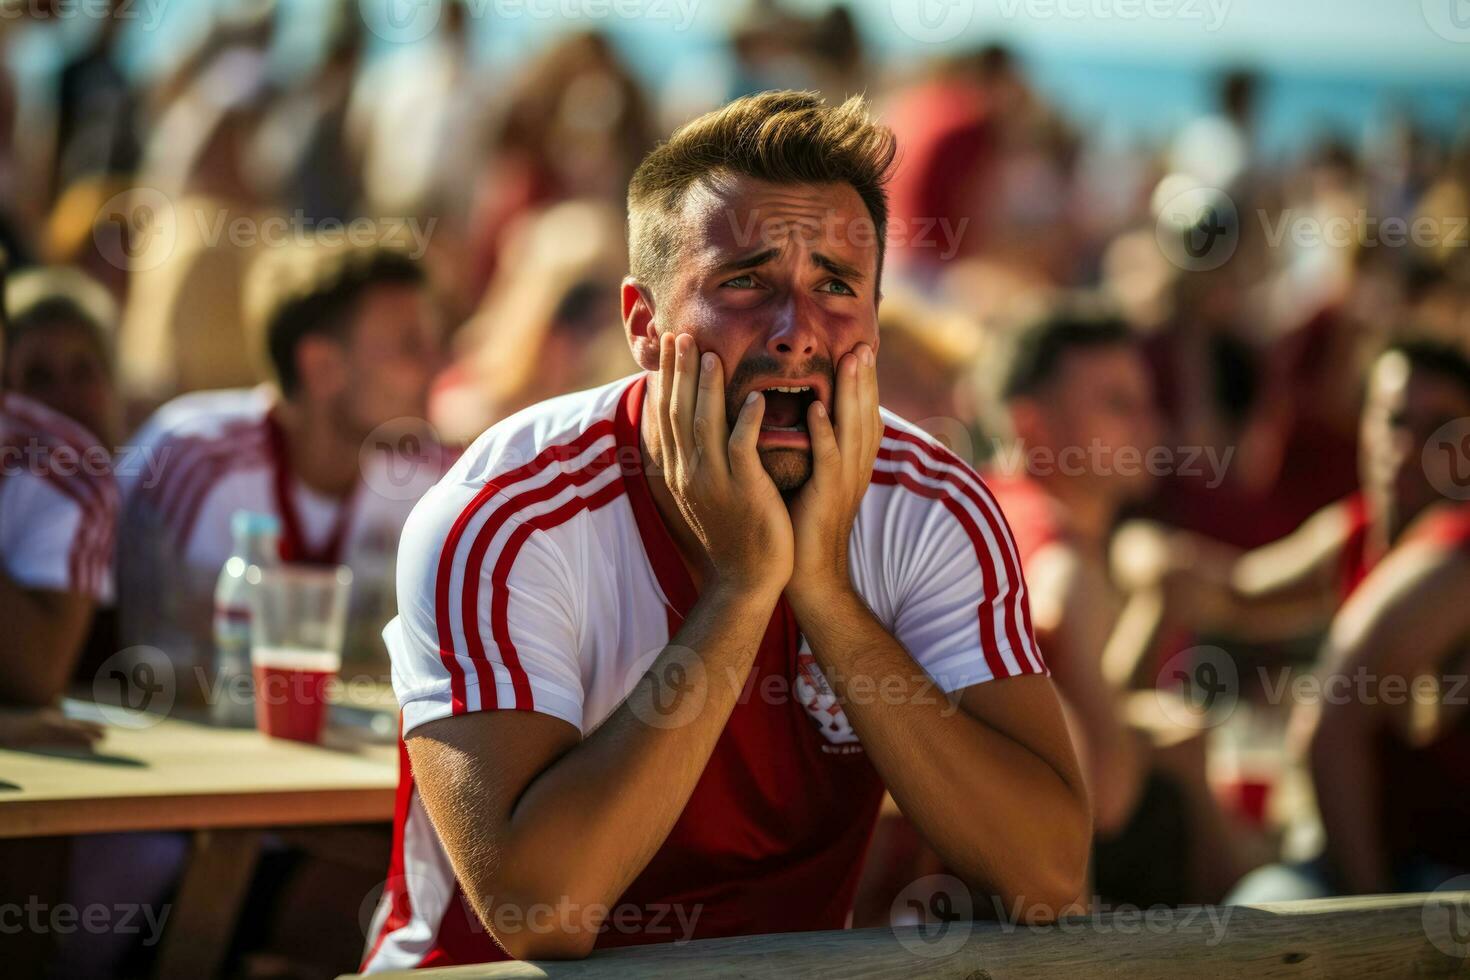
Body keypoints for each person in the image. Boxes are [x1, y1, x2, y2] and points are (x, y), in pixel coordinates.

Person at [364, 91, 1088, 970]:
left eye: (836, 286)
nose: (796, 335)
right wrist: (745, 590)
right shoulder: (505, 515)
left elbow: (1047, 878)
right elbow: (539, 912)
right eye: (747, 282)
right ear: (643, 324)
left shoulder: (932, 507)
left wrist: (821, 587)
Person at [984, 306, 1251, 905]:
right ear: (1033, 428)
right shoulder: (1061, 556)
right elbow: (1108, 798)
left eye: (1147, 402)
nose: (1150, 424)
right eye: (1116, 405)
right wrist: (1159, 737)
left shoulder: (985, 513)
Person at [116, 242, 450, 690]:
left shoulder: (437, 478)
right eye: (410, 346)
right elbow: (133, 657)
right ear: (321, 365)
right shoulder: (194, 457)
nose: (437, 365)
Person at [0, 256, 118, 713]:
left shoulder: (148, 502)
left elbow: (35, 678)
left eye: (84, 372)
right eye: (40, 378)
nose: (65, 397)